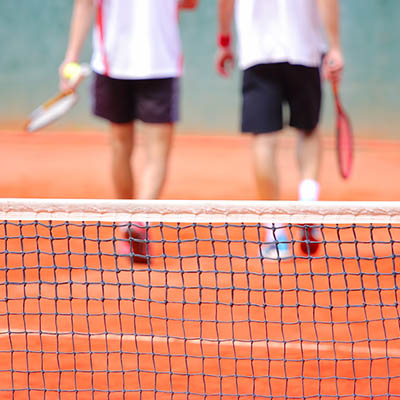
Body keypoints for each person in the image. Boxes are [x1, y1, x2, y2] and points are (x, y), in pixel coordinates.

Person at [59, 0, 199, 262]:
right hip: (160, 61)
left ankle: (127, 220)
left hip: (113, 63)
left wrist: (71, 57)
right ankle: (140, 220)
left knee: (120, 146)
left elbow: (84, 4)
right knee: (157, 153)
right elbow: (190, 3)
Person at [216, 0, 344, 259]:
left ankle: (275, 234)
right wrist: (335, 47)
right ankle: (307, 203)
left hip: (258, 52)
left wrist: (225, 42)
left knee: (264, 139)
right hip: (304, 48)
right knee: (308, 131)